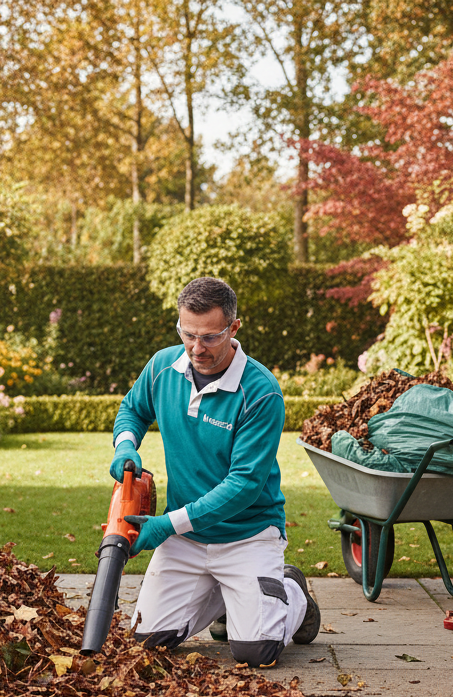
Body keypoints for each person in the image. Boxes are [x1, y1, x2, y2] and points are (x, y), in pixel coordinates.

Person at [110, 276, 320, 667]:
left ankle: (293, 594)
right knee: (147, 642)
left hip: (248, 535)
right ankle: (232, 597)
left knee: (256, 652)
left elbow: (243, 486)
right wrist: (126, 444)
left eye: (209, 337)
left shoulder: (260, 393)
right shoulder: (162, 367)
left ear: (233, 328)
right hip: (186, 541)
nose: (195, 347)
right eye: (187, 334)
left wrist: (166, 525)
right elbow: (133, 410)